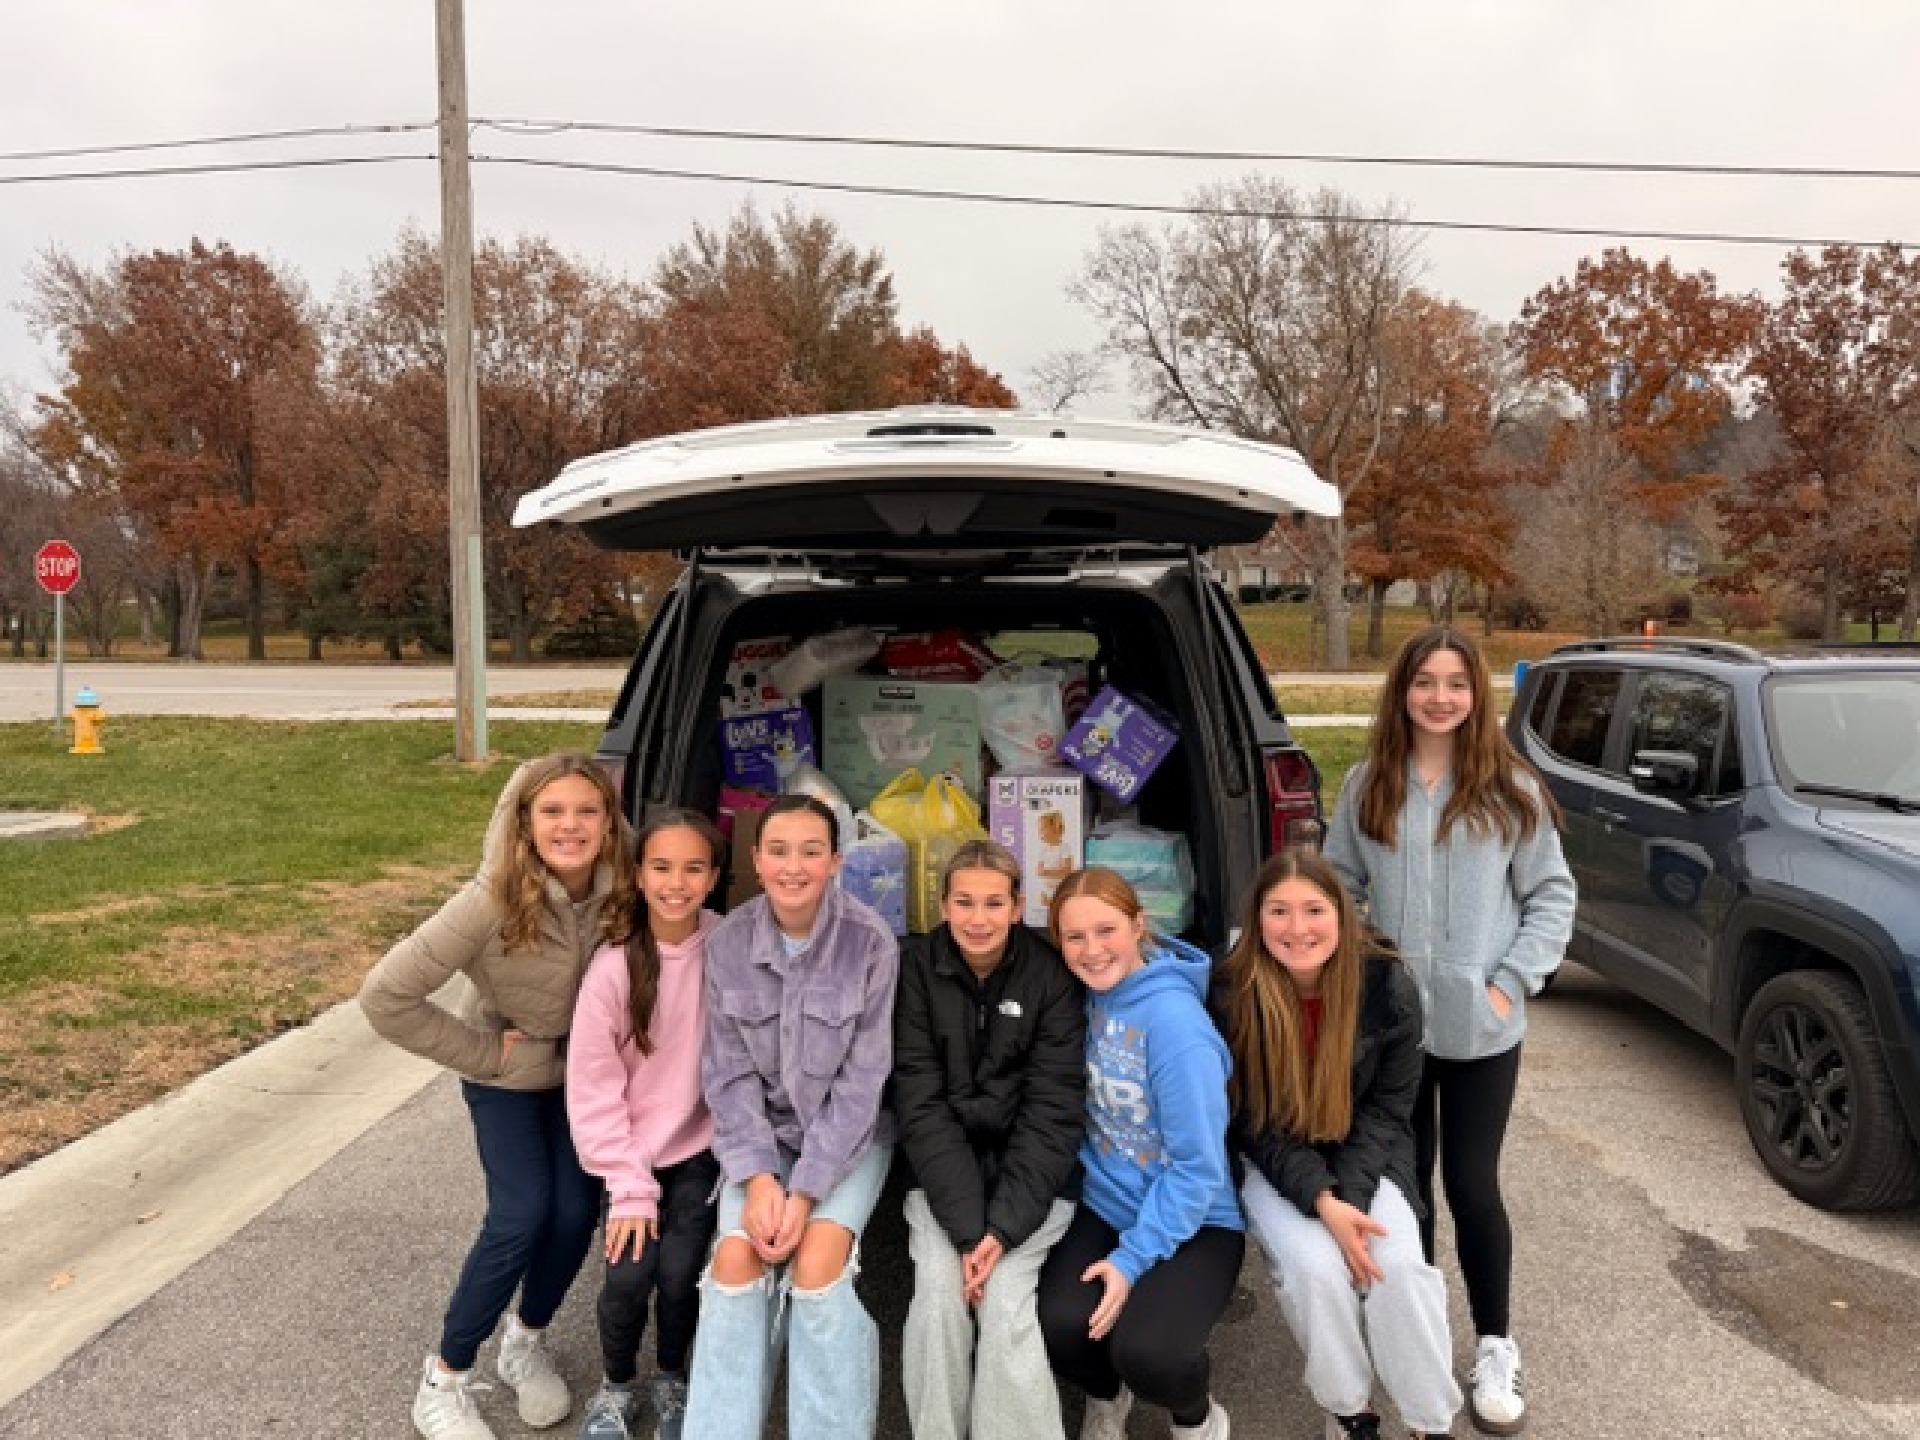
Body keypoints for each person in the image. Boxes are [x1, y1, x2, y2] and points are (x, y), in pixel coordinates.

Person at [1322, 625, 1574, 1437]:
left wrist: (1509, 984)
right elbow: (1337, 887)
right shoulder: (1368, 784)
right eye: (1425, 681)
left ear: (1476, 694)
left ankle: (1495, 1343)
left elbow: (1551, 896)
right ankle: (1419, 1342)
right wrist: (1354, 972)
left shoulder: (1509, 789)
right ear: (1402, 690)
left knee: (1471, 1186)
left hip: (1480, 1032)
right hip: (1392, 1034)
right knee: (1406, 1194)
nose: (1440, 697)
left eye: (1456, 683)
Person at [360, 753, 635, 1440]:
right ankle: (445, 1378)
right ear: (523, 821)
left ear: (609, 823)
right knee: (520, 1214)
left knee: (575, 1214)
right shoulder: (490, 899)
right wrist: (484, 1054)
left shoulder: (625, 891)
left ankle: (525, 1340)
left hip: (582, 1080)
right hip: (507, 1076)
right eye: (552, 811)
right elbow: (386, 996)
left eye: (587, 811)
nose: (570, 825)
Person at [1217, 849, 1461, 1440]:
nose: (1297, 928)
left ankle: (1428, 1420)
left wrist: (1348, 1198)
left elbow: (1390, 1107)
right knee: (1315, 1269)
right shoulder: (1233, 990)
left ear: (1342, 913)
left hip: (1368, 1149)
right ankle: (1351, 1412)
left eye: (1313, 909)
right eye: (1279, 910)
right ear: (1257, 918)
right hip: (1276, 1153)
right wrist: (1322, 1202)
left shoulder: (1387, 984)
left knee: (1398, 1267)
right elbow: (1248, 1119)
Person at [681, 793, 899, 1440]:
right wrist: (759, 1181)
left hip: (847, 1141)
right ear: (756, 859)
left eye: (810, 852)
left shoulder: (871, 943)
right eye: (778, 851)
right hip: (761, 1140)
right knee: (734, 1264)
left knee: (816, 1269)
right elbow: (727, 1075)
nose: (793, 867)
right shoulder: (728, 943)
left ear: (835, 862)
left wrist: (803, 1193)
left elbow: (862, 1086)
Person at [1036, 867, 1241, 1440]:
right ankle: (1107, 1396)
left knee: (1150, 1353)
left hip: (1197, 1217)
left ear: (1138, 927)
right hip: (1107, 1201)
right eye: (1074, 937)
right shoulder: (1081, 997)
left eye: (1106, 931)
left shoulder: (1177, 1027)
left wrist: (1130, 1261)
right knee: (1061, 1323)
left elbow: (1198, 1170)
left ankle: (1197, 1418)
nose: (1092, 950)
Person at [893, 841, 1088, 1440]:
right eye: (964, 902)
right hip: (943, 1176)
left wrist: (1000, 1232)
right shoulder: (916, 971)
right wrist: (966, 1232)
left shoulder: (1050, 976)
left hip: (1030, 1180)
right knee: (937, 1293)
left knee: (1004, 1301)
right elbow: (920, 1106)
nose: (978, 919)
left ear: (1018, 907)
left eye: (994, 903)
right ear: (943, 906)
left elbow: (1052, 1114)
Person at [567, 810, 727, 1440]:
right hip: (630, 1154)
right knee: (629, 1275)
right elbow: (594, 1087)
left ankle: (671, 1378)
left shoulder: (728, 947)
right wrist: (630, 1185)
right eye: (661, 867)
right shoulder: (613, 968)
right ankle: (615, 1386)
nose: (676, 883)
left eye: (693, 868)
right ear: (638, 874)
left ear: (714, 876)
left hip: (701, 1149)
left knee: (681, 1273)